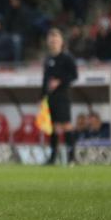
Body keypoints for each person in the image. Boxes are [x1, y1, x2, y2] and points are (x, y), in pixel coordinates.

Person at [42, 28, 79, 165]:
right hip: (51, 97)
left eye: (56, 39)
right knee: (54, 126)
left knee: (66, 125)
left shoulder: (67, 58)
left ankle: (71, 157)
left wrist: (60, 81)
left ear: (61, 41)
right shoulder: (48, 59)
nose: (53, 42)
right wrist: (42, 95)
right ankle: (53, 157)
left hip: (63, 95)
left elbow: (74, 75)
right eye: (51, 39)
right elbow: (45, 79)